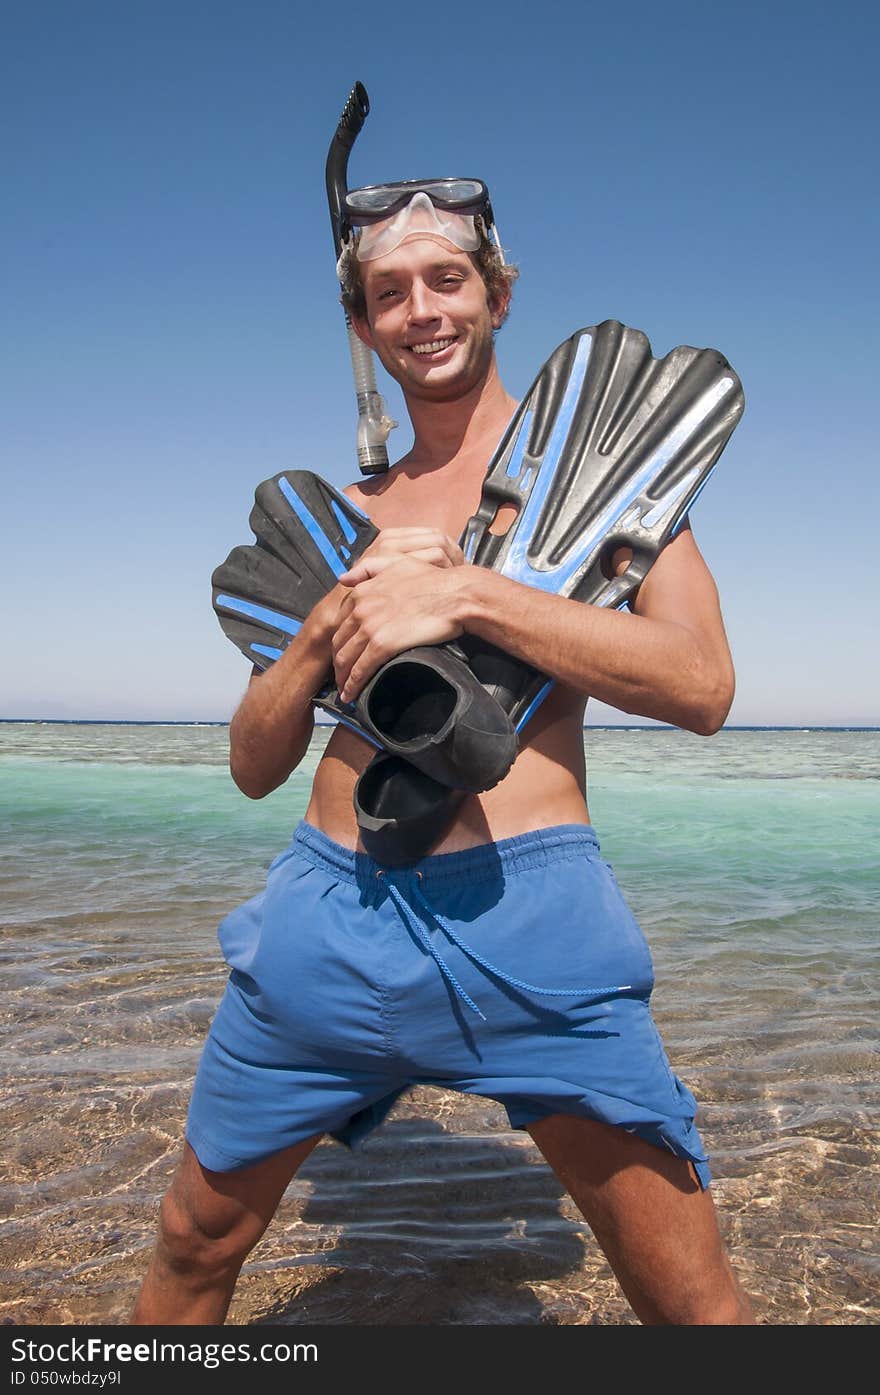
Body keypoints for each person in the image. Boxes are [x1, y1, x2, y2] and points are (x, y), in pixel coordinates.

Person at [131, 183, 755, 1326]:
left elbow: (701, 686)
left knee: (686, 1297)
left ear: (497, 295)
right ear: (364, 327)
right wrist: (325, 630)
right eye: (388, 294)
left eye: (447, 280)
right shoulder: (351, 515)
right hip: (324, 915)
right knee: (190, 1244)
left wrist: (470, 593)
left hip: (528, 922)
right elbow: (251, 761)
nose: (421, 309)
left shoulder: (622, 500)